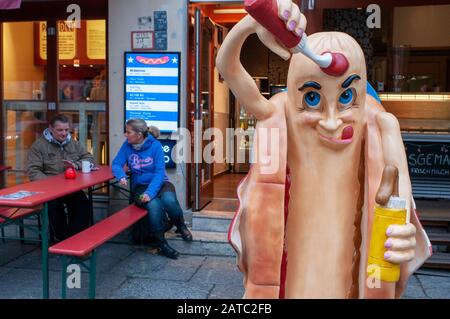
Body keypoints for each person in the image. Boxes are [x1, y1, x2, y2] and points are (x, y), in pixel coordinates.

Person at [216, 0, 431, 298]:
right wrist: (252, 24)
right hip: (294, 270)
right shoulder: (281, 113)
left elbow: (400, 196)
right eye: (313, 99)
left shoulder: (381, 125)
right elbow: (229, 69)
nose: (331, 121)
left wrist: (404, 231)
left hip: (351, 271)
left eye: (345, 98)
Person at [112, 119, 192, 259]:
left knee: (169, 201)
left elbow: (159, 173)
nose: (125, 134)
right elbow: (116, 164)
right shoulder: (127, 146)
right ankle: (161, 244)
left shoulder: (155, 146)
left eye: (128, 132)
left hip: (160, 183)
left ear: (139, 134)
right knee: (154, 206)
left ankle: (181, 226)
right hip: (140, 187)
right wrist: (121, 176)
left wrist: (150, 193)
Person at [27, 114, 95, 242]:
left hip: (70, 188)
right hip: (49, 190)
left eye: (66, 130)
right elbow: (33, 171)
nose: (64, 133)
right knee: (53, 206)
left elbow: (89, 158)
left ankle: (74, 239)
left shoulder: (73, 143)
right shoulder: (39, 146)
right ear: (50, 128)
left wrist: (76, 165)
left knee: (83, 204)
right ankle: (63, 240)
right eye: (60, 130)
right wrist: (52, 184)